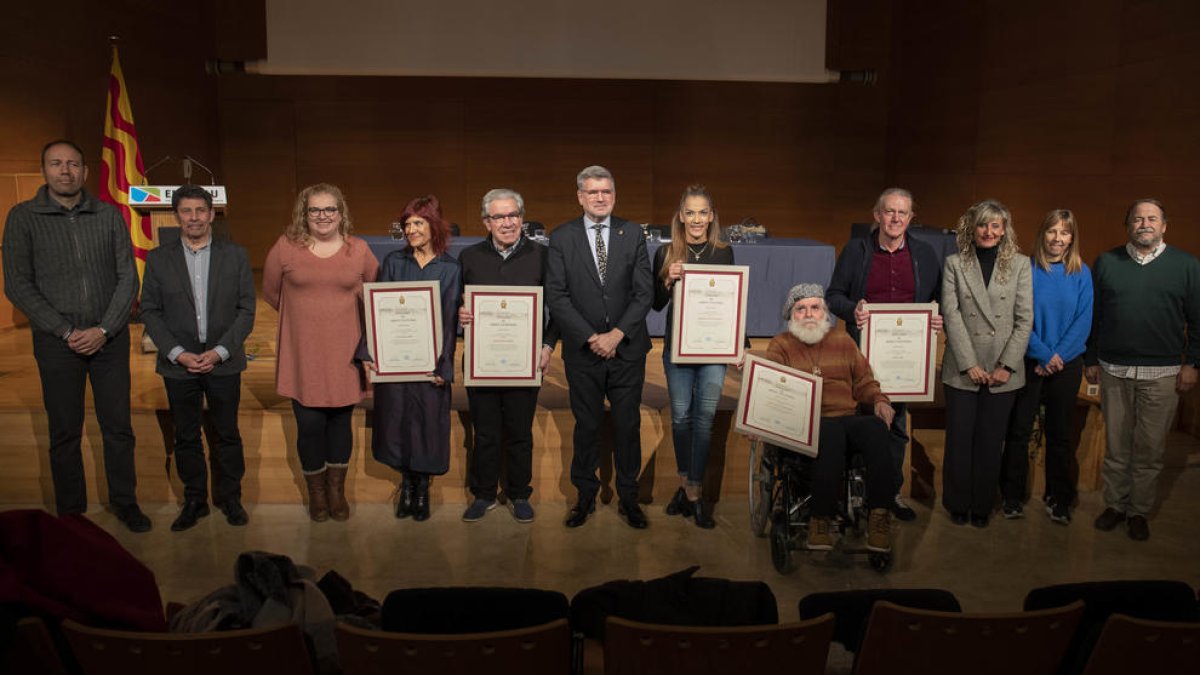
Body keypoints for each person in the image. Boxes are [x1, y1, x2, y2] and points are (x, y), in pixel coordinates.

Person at [2, 140, 148, 532]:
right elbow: (17, 285)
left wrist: (103, 329)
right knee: (64, 430)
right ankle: (71, 513)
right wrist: (65, 330)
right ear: (44, 170)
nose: (64, 171)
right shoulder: (22, 217)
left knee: (118, 426)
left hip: (109, 340)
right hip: (56, 343)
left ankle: (125, 501)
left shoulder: (108, 215)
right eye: (56, 163)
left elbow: (126, 277)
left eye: (72, 164)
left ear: (85, 172)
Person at [140, 185, 256, 531]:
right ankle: (195, 500)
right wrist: (178, 354)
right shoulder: (159, 259)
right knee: (186, 436)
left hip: (223, 362)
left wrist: (220, 352)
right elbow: (150, 310)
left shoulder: (235, 255)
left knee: (227, 433)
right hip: (180, 365)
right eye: (186, 211)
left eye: (200, 210)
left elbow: (246, 309)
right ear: (177, 216)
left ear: (211, 214)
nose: (194, 217)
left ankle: (230, 497)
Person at [545, 165, 653, 529]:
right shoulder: (561, 237)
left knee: (628, 425)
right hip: (583, 352)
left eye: (606, 191)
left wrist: (617, 334)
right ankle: (585, 496)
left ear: (614, 195)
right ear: (580, 197)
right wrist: (592, 338)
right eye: (592, 192)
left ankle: (629, 498)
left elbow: (644, 292)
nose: (600, 197)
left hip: (627, 351)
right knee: (587, 426)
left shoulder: (633, 232)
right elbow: (557, 297)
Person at [1085, 198, 1200, 542]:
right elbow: (1094, 316)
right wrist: (1090, 358)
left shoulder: (1187, 266)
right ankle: (1115, 506)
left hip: (1163, 373)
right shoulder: (1106, 263)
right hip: (1113, 370)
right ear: (1129, 225)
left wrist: (1193, 363)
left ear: (1164, 226)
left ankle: (1138, 511)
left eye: (1152, 219)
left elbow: (1198, 321)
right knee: (1117, 446)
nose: (1145, 224)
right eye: (1138, 219)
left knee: (1149, 450)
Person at [826, 188, 943, 521]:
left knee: (895, 425)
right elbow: (833, 296)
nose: (895, 219)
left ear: (910, 218)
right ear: (876, 215)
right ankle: (854, 494)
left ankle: (888, 493)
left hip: (905, 356)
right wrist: (853, 309)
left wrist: (937, 315)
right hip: (863, 354)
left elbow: (938, 298)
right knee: (862, 421)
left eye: (902, 213)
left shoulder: (924, 254)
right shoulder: (856, 250)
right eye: (889, 212)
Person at [264, 183, 378, 522]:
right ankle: (316, 494)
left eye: (330, 209)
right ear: (304, 213)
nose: (323, 215)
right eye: (315, 210)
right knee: (310, 425)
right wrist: (307, 320)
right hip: (304, 355)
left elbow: (376, 295)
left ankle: (336, 492)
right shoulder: (285, 248)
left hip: (344, 355)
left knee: (340, 425)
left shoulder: (358, 250)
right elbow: (272, 293)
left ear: (341, 213)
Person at [762, 284, 896, 552]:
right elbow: (770, 390)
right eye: (801, 309)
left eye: (815, 307)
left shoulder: (843, 341)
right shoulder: (781, 345)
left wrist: (880, 401)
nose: (809, 314)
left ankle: (879, 516)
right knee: (831, 433)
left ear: (825, 312)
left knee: (876, 429)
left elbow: (864, 381)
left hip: (847, 416)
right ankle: (819, 519)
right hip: (804, 424)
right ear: (791, 315)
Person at [458, 189, 557, 523]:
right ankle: (483, 494)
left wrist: (547, 345)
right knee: (484, 432)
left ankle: (518, 494)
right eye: (499, 216)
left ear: (522, 218)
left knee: (519, 432)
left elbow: (558, 308)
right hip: (481, 360)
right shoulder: (469, 257)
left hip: (525, 360)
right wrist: (461, 315)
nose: (508, 222)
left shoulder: (541, 256)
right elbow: (457, 304)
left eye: (514, 215)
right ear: (487, 221)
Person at [940, 199, 1032, 528]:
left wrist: (1006, 365)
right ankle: (957, 504)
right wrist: (969, 364)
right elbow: (951, 315)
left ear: (1004, 230)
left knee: (991, 442)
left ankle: (981, 506)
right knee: (960, 441)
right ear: (972, 228)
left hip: (1003, 370)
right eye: (982, 224)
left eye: (995, 225)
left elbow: (1025, 320)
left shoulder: (1021, 265)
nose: (988, 231)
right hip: (962, 367)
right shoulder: (954, 263)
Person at [370, 195, 460, 522]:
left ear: (433, 226)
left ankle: (423, 488)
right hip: (397, 362)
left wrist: (445, 366)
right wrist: (374, 355)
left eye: (417, 223)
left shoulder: (451, 268)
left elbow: (450, 321)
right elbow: (378, 312)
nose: (410, 229)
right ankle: (406, 484)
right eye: (407, 224)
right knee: (397, 423)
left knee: (427, 426)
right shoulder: (394, 263)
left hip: (432, 365)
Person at [999, 209, 1092, 524]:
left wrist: (1055, 359)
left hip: (1065, 364)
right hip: (1028, 360)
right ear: (1043, 234)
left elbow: (1083, 322)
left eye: (1064, 232)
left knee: (1060, 434)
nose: (1057, 238)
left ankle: (1059, 497)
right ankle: (1011, 496)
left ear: (1071, 238)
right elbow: (1016, 317)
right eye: (1052, 231)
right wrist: (1040, 354)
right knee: (1019, 430)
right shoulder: (1025, 269)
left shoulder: (1082, 273)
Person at [651, 184, 732, 529]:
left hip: (713, 349)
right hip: (678, 349)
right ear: (680, 216)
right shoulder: (666, 253)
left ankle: (693, 492)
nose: (696, 219)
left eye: (703, 212)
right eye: (690, 212)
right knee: (682, 418)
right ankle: (686, 485)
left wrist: (735, 345)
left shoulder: (723, 252)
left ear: (711, 216)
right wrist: (666, 280)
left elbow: (729, 299)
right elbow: (654, 304)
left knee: (704, 419)